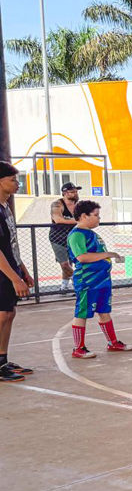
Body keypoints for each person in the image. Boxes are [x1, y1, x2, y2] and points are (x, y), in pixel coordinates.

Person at [67, 201, 132, 358]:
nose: (99, 218)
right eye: (96, 215)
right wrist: (108, 254)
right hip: (88, 281)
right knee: (82, 312)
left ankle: (113, 342)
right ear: (84, 216)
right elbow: (82, 257)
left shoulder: (92, 234)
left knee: (104, 311)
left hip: (101, 280)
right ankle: (79, 347)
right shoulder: (77, 234)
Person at [0, 162, 36, 383]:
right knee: (1, 314)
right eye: (13, 179)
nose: (17, 183)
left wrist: (23, 271)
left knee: (9, 313)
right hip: (3, 272)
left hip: (11, 269)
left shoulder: (5, 207)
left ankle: (2, 360)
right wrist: (14, 278)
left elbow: (12, 245)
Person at [49, 182, 81, 291]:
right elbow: (58, 219)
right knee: (65, 264)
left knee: (71, 263)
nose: (75, 194)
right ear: (65, 193)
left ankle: (64, 286)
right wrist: (77, 221)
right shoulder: (57, 204)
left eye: (76, 191)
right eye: (72, 192)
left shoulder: (78, 205)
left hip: (73, 238)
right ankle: (79, 284)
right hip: (58, 238)